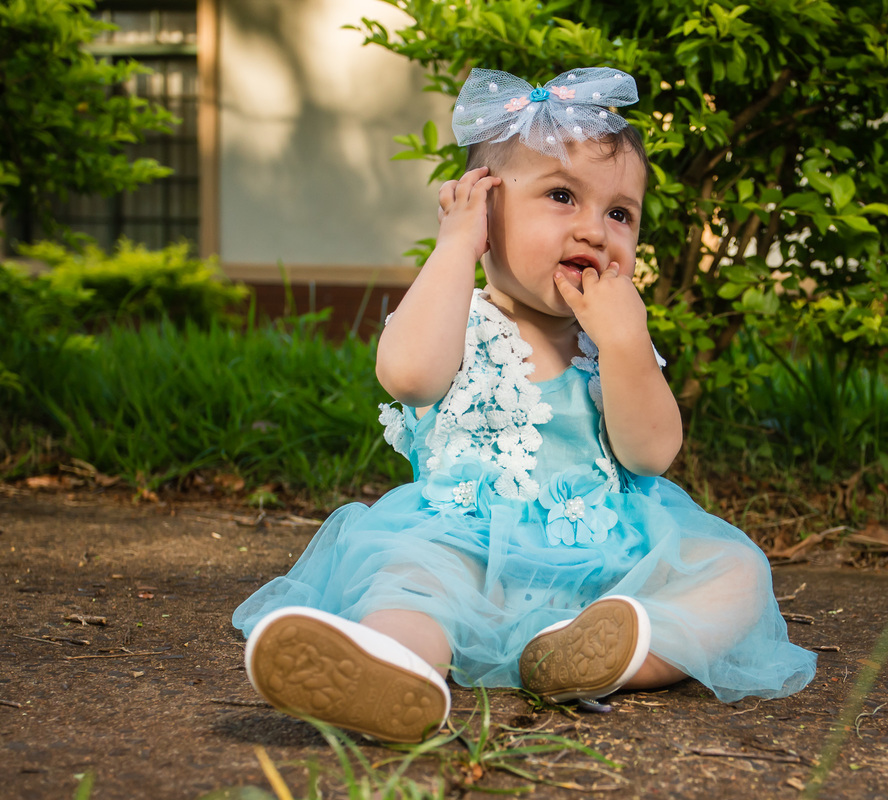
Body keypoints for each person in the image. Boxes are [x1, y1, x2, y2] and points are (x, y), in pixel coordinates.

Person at [233, 67, 817, 743]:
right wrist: (456, 248)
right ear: (484, 211)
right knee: (407, 583)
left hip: (608, 562)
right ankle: (394, 668)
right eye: (563, 196)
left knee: (737, 572)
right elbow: (408, 375)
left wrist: (627, 342)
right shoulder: (459, 317)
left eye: (620, 213)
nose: (597, 231)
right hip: (461, 550)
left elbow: (652, 452)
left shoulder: (613, 341)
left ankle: (607, 654)